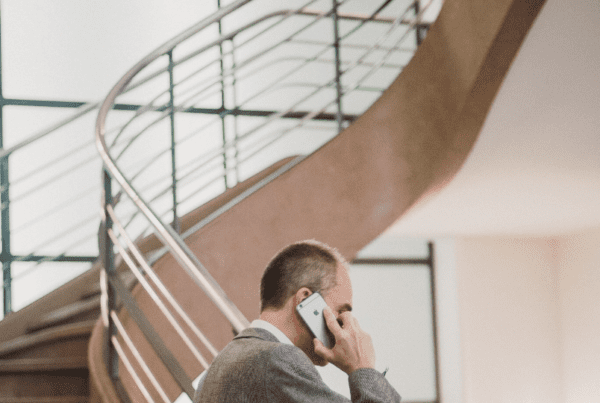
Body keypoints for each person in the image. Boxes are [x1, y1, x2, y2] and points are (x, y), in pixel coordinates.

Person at [193, 240, 401, 402]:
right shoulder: (278, 360)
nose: (345, 326)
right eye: (341, 312)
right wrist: (363, 368)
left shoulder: (218, 366)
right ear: (305, 300)